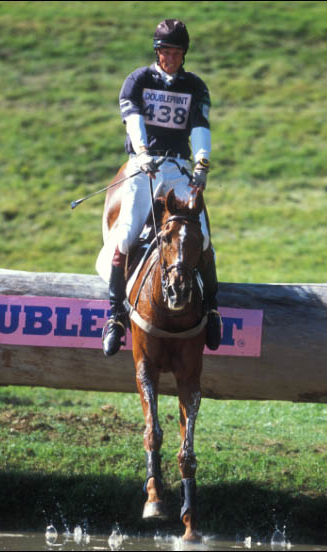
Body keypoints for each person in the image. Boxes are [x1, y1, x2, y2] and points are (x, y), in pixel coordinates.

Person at [99, 18, 222, 356]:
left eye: (176, 52)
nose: (170, 58)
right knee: (125, 235)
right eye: (165, 51)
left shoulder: (195, 86)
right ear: (157, 52)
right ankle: (115, 316)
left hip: (179, 167)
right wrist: (141, 152)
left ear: (184, 55)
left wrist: (201, 162)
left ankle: (211, 309)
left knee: (205, 238)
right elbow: (134, 119)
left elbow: (199, 124)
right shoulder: (138, 80)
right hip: (145, 164)